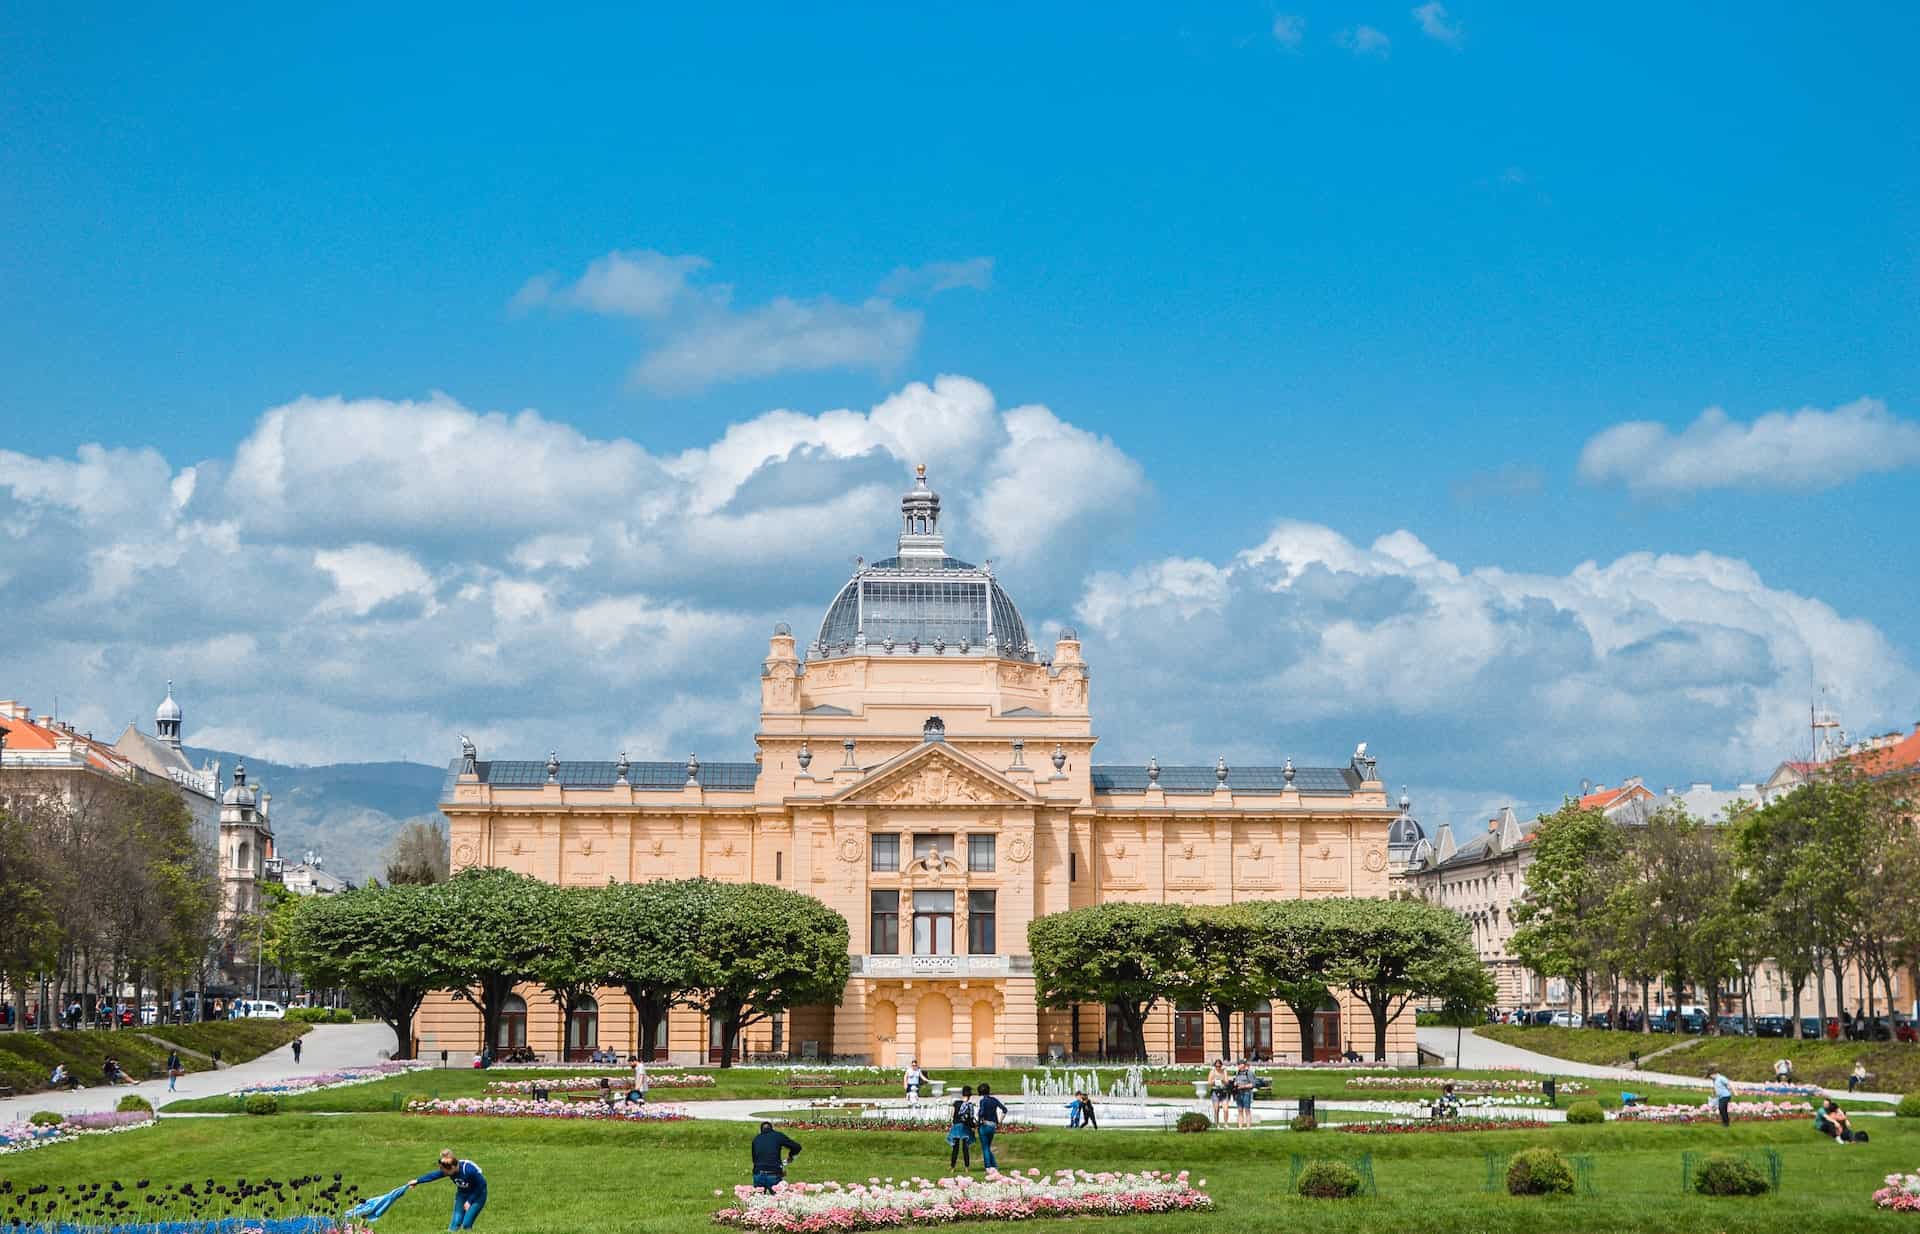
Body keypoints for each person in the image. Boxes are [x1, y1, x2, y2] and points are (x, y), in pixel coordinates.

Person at [407, 1150, 487, 1230]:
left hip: (478, 1195)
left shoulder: (469, 1170)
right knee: (455, 1223)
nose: (444, 1174)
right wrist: (418, 1181)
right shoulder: (448, 1168)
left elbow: (482, 1185)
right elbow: (434, 1175)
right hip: (462, 1194)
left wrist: (470, 1201)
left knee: (466, 1224)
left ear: (453, 1167)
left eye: (446, 1172)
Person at [751, 1121, 802, 1192]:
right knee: (778, 1200)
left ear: (760, 1130)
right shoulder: (778, 1135)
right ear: (772, 1128)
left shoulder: (756, 1139)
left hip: (758, 1174)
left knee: (758, 1200)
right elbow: (797, 1147)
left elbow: (754, 1160)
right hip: (773, 1173)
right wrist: (790, 1156)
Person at [975, 1083, 1007, 1170]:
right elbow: (1004, 1109)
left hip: (985, 1125)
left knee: (985, 1147)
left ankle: (988, 1167)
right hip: (993, 1125)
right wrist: (1000, 1121)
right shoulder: (994, 1100)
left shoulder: (983, 1101)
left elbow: (981, 1113)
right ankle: (994, 1166)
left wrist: (978, 1120)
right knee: (988, 1147)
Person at [947, 1085, 977, 1170]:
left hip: (956, 1127)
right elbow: (971, 1119)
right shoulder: (970, 1105)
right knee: (965, 1148)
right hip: (965, 1128)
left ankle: (952, 1167)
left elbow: (952, 1115)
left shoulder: (956, 1103)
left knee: (955, 1148)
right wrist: (974, 1127)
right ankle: (967, 1167)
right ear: (970, 1095)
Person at [1231, 1061, 1256, 1128]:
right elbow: (1235, 1081)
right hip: (1238, 1093)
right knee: (1240, 1110)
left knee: (1247, 1110)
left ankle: (1248, 1126)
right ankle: (1240, 1126)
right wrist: (1235, 1084)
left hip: (1246, 1093)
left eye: (1240, 1064)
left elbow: (1253, 1084)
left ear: (1244, 1065)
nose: (1239, 1066)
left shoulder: (1249, 1073)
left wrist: (1243, 1086)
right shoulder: (1237, 1073)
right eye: (1238, 1065)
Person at [1206, 1060, 1229, 1125]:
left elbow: (1227, 1082)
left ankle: (1226, 1123)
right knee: (1216, 1109)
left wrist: (1222, 1080)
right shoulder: (1212, 1072)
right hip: (1215, 1091)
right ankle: (1217, 1123)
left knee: (1226, 1109)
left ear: (1221, 1066)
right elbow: (1209, 1083)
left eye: (1219, 1066)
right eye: (1216, 1066)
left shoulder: (1224, 1071)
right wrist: (1214, 1082)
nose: (1218, 1068)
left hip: (1223, 1090)